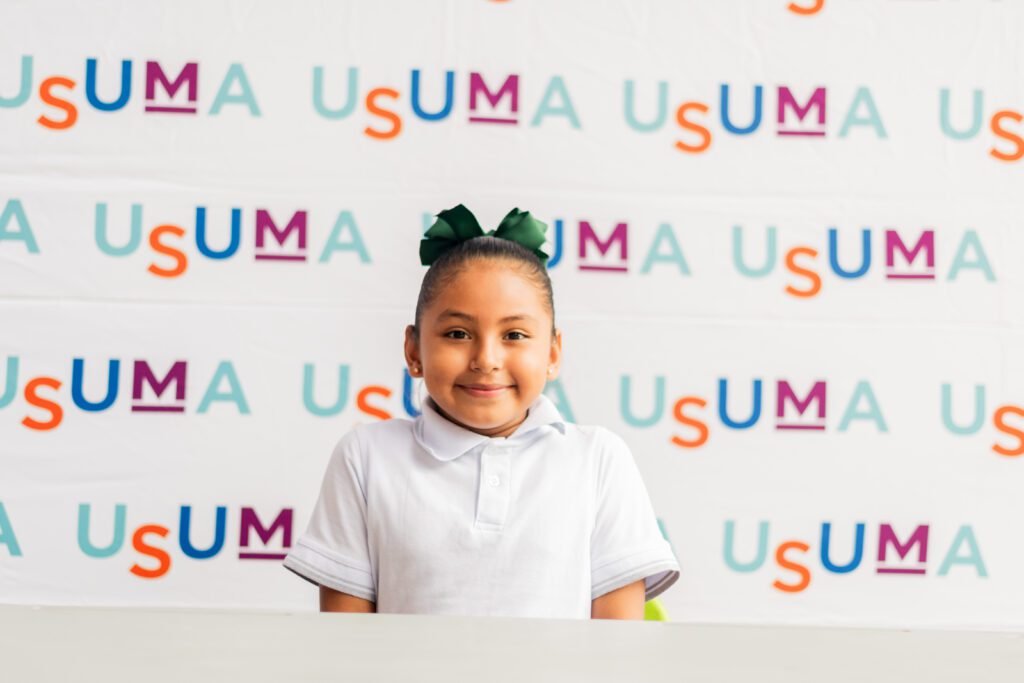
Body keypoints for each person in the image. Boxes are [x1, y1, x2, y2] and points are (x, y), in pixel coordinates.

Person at [283, 204, 680, 619]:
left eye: (515, 335)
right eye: (458, 333)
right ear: (414, 351)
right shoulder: (366, 457)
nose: (486, 359)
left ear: (552, 353)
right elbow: (345, 641)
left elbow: (617, 643)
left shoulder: (598, 459)